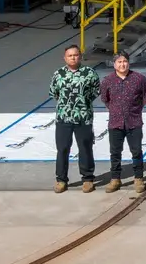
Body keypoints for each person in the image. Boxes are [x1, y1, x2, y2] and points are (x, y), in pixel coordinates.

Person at [49, 44, 100, 193]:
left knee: (85, 147)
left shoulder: (89, 73)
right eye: (70, 55)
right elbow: (54, 93)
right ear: (65, 58)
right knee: (63, 149)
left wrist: (82, 103)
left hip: (83, 118)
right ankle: (61, 180)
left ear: (80, 56)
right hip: (64, 118)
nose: (73, 57)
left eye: (76, 55)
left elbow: (96, 90)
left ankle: (88, 179)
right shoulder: (58, 74)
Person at [99, 51, 146, 194]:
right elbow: (105, 99)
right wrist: (117, 111)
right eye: (119, 62)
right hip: (115, 123)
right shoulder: (108, 80)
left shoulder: (139, 79)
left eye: (124, 61)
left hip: (134, 122)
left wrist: (133, 111)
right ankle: (115, 178)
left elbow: (145, 97)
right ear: (114, 64)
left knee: (136, 151)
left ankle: (139, 178)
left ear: (129, 62)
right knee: (115, 152)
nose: (122, 64)